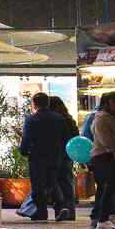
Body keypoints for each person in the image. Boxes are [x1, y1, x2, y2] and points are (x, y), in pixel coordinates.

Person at [19, 92, 71, 222]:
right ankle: (60, 207)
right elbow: (65, 137)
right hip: (55, 155)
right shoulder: (59, 118)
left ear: (34, 104)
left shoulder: (31, 119)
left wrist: (24, 151)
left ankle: (41, 212)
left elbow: (27, 139)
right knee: (52, 182)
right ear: (48, 103)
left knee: (38, 185)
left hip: (37, 156)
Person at [87, 91, 115, 229]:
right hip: (104, 158)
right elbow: (110, 142)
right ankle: (102, 220)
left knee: (113, 188)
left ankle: (110, 218)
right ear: (110, 102)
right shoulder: (102, 119)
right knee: (108, 187)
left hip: (112, 157)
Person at [49, 96, 77, 221]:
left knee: (54, 182)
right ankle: (70, 212)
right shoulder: (69, 120)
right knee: (67, 183)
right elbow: (75, 136)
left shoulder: (55, 120)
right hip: (68, 155)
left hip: (55, 155)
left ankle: (61, 209)